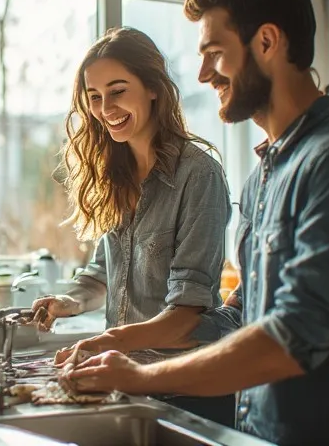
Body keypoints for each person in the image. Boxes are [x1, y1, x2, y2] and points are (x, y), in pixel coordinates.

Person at [63, 0, 329, 446]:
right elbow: (246, 313)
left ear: (267, 42)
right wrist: (130, 341)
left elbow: (292, 337)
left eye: (215, 53)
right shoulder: (266, 175)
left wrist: (140, 376)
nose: (204, 74)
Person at [31, 27, 240, 425]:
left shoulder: (198, 176)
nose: (104, 106)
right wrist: (67, 303)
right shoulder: (115, 174)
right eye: (94, 96)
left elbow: (186, 315)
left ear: (153, 88)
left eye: (117, 90)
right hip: (127, 385)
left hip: (186, 390)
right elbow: (102, 275)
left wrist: (103, 342)